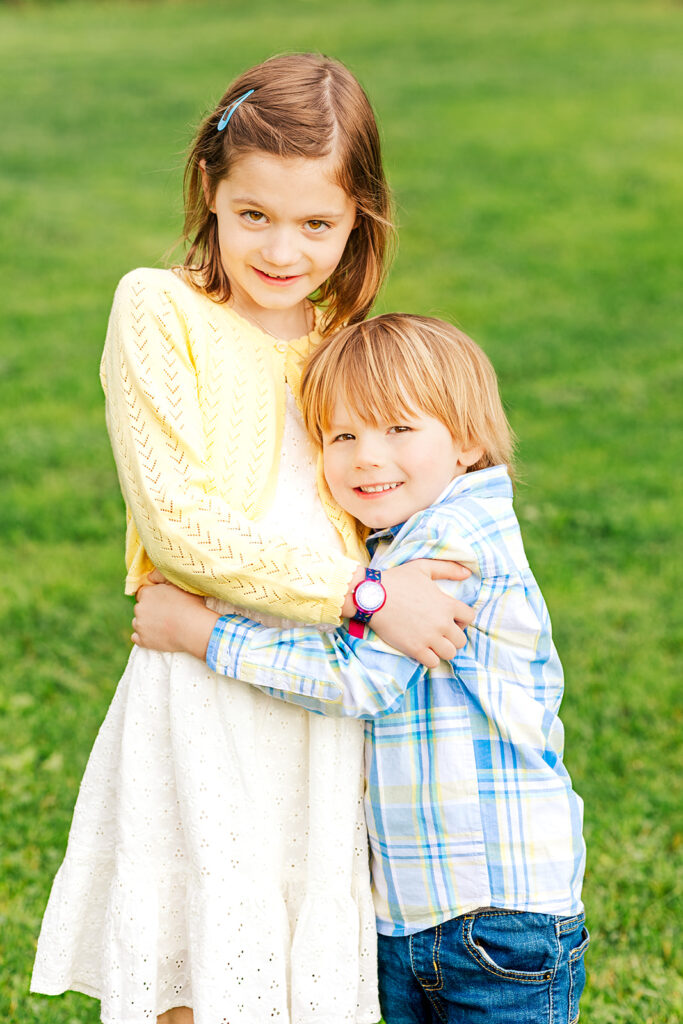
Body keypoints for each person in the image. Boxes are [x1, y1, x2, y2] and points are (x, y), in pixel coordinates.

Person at [30, 57, 475, 1024]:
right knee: (198, 967)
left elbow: (397, 491)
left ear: (359, 217)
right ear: (210, 192)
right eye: (254, 216)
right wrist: (365, 598)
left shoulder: (341, 340)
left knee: (297, 970)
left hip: (317, 692)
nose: (283, 249)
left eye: (317, 223)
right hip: (203, 687)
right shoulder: (159, 308)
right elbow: (182, 527)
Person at [132, 314, 589, 1024]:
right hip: (420, 915)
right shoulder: (399, 540)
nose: (366, 458)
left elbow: (357, 678)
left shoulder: (451, 536)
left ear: (467, 442)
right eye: (342, 436)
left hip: (494, 913)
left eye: (398, 429)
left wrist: (203, 632)